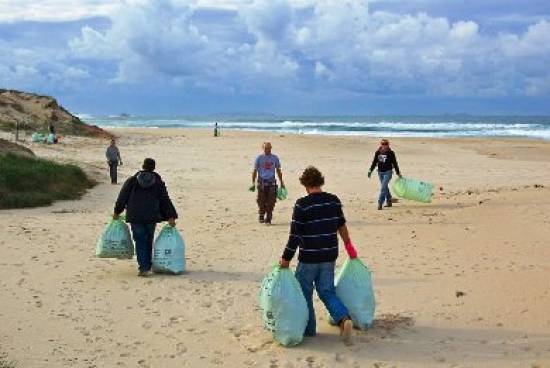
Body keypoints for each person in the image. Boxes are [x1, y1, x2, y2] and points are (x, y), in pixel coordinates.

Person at [279, 166, 358, 343]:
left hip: (308, 258)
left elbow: (295, 236)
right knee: (327, 291)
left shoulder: (302, 204)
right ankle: (344, 319)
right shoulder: (333, 201)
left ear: (306, 185)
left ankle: (310, 329)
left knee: (304, 293)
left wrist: (285, 259)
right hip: (329, 255)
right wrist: (349, 247)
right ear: (320, 182)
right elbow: (342, 226)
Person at [113, 158, 178, 277]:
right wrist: (171, 216)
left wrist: (117, 212)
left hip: (135, 215)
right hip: (151, 215)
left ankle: (144, 267)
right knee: (148, 239)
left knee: (140, 240)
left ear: (143, 166)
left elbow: (122, 198)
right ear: (153, 168)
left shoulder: (132, 181)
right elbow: (165, 200)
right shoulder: (158, 182)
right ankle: (147, 265)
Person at [251, 142, 285, 225]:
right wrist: (253, 183)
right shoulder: (259, 158)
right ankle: (261, 213)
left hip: (272, 182)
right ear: (263, 148)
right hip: (261, 182)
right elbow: (254, 171)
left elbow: (278, 170)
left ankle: (268, 218)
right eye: (266, 148)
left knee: (271, 201)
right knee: (261, 201)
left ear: (271, 148)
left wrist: (281, 182)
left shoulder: (275, 158)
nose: (267, 150)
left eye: (269, 148)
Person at [368, 138, 401, 210]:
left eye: (386, 144)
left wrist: (398, 172)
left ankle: (380, 203)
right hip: (380, 172)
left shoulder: (391, 153)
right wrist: (370, 170)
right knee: (385, 187)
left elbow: (395, 163)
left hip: (388, 172)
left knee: (383, 187)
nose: (384, 145)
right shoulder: (378, 152)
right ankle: (389, 200)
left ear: (388, 145)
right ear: (381, 144)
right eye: (383, 144)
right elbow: (374, 162)